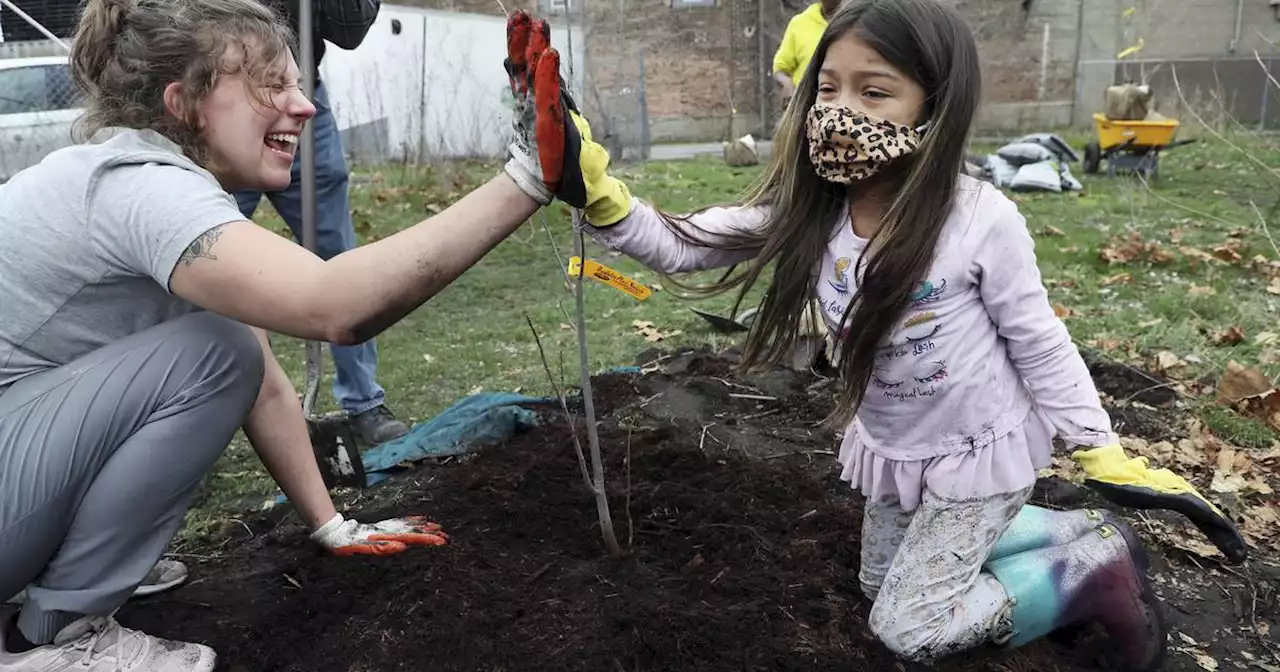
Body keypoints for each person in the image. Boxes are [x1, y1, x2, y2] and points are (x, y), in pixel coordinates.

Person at [506, 1, 1246, 667]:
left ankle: (1087, 574)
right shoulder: (815, 212)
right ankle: (1064, 531)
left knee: (909, 628)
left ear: (935, 104)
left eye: (874, 90)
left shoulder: (980, 221)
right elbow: (684, 243)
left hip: (977, 451)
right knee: (874, 585)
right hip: (898, 447)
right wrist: (594, 189)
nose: (837, 111)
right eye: (826, 88)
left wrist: (1099, 446)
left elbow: (1039, 340)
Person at [0, 0, 559, 667]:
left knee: (222, 351)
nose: (304, 106)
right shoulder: (143, 192)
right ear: (184, 102)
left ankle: (70, 574)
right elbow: (333, 307)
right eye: (272, 84)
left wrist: (333, 525)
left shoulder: (141, 181)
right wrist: (527, 178)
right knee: (214, 353)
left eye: (298, 83)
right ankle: (59, 635)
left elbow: (261, 385)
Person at [233, 0, 410, 446]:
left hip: (301, 105)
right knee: (206, 268)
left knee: (341, 259)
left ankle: (364, 401)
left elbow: (351, 29)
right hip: (223, 112)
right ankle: (201, 421)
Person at [771, 0, 839, 104]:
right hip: (805, 108)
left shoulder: (858, 24)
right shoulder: (799, 23)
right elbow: (780, 69)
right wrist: (788, 84)